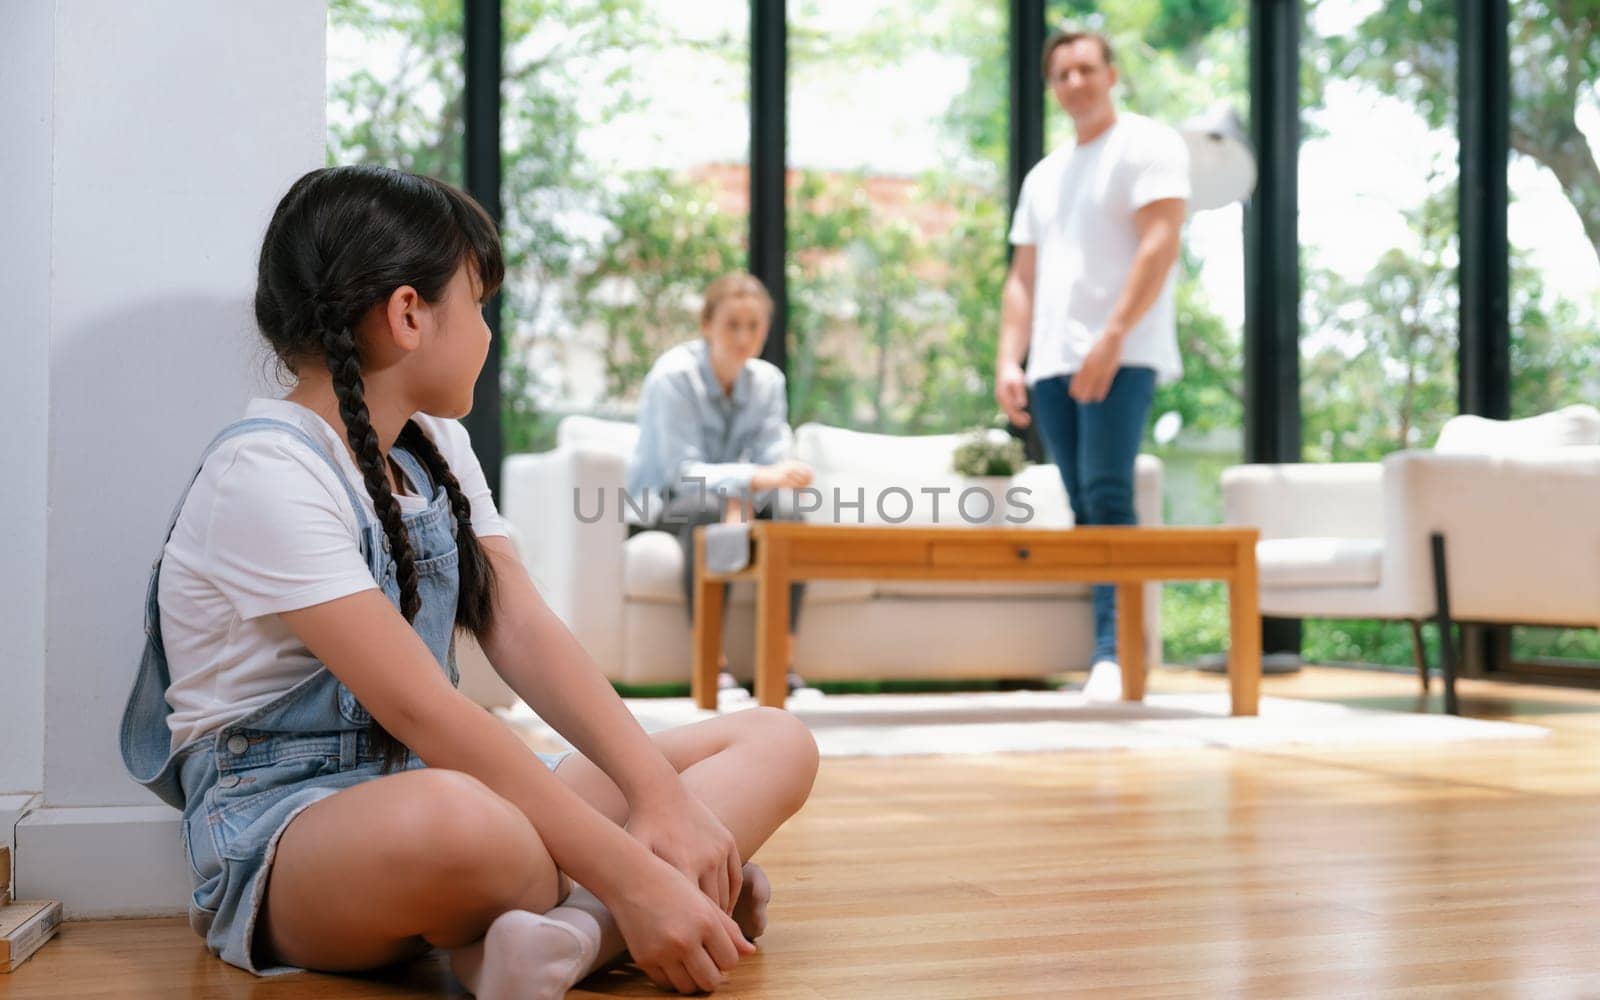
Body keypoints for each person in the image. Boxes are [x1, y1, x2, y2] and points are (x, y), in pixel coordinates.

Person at [119, 165, 818, 1000]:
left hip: (439, 777)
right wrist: (640, 868)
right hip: (285, 836)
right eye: (479, 305)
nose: (489, 333)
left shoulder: (434, 448)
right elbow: (424, 709)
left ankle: (568, 938)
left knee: (777, 740)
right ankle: (648, 902)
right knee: (468, 824)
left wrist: (661, 802)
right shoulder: (264, 470)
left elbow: (522, 627)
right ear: (409, 314)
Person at [995, 30, 1189, 700]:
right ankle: (1105, 649)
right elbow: (1023, 276)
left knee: (1108, 495)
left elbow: (1161, 242)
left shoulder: (1147, 145)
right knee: (1081, 506)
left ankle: (1115, 653)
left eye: (1085, 69)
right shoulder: (1044, 175)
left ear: (1111, 73)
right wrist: (1008, 359)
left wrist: (1111, 336)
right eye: (1061, 74)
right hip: (1050, 363)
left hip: (1121, 352)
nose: (1074, 82)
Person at [627, 273, 815, 698]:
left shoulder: (768, 382)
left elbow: (774, 461)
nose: (744, 337)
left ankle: (783, 670)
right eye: (733, 325)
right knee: (707, 510)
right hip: (663, 505)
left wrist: (757, 491)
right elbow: (682, 473)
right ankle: (713, 668)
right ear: (707, 324)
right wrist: (750, 482)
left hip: (732, 500)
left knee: (788, 513)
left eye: (755, 326)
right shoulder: (673, 376)